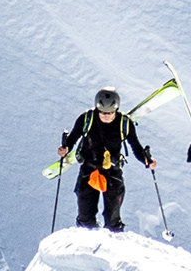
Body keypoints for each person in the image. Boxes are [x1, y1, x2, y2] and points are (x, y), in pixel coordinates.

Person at [59, 86, 156, 231]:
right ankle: (86, 245)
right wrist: (66, 148)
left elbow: (136, 146)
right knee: (85, 218)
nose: (106, 116)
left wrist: (146, 161)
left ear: (116, 110)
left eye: (110, 113)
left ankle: (113, 246)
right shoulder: (86, 119)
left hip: (112, 171)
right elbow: (73, 137)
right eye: (102, 113)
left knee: (112, 220)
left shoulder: (125, 123)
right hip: (88, 169)